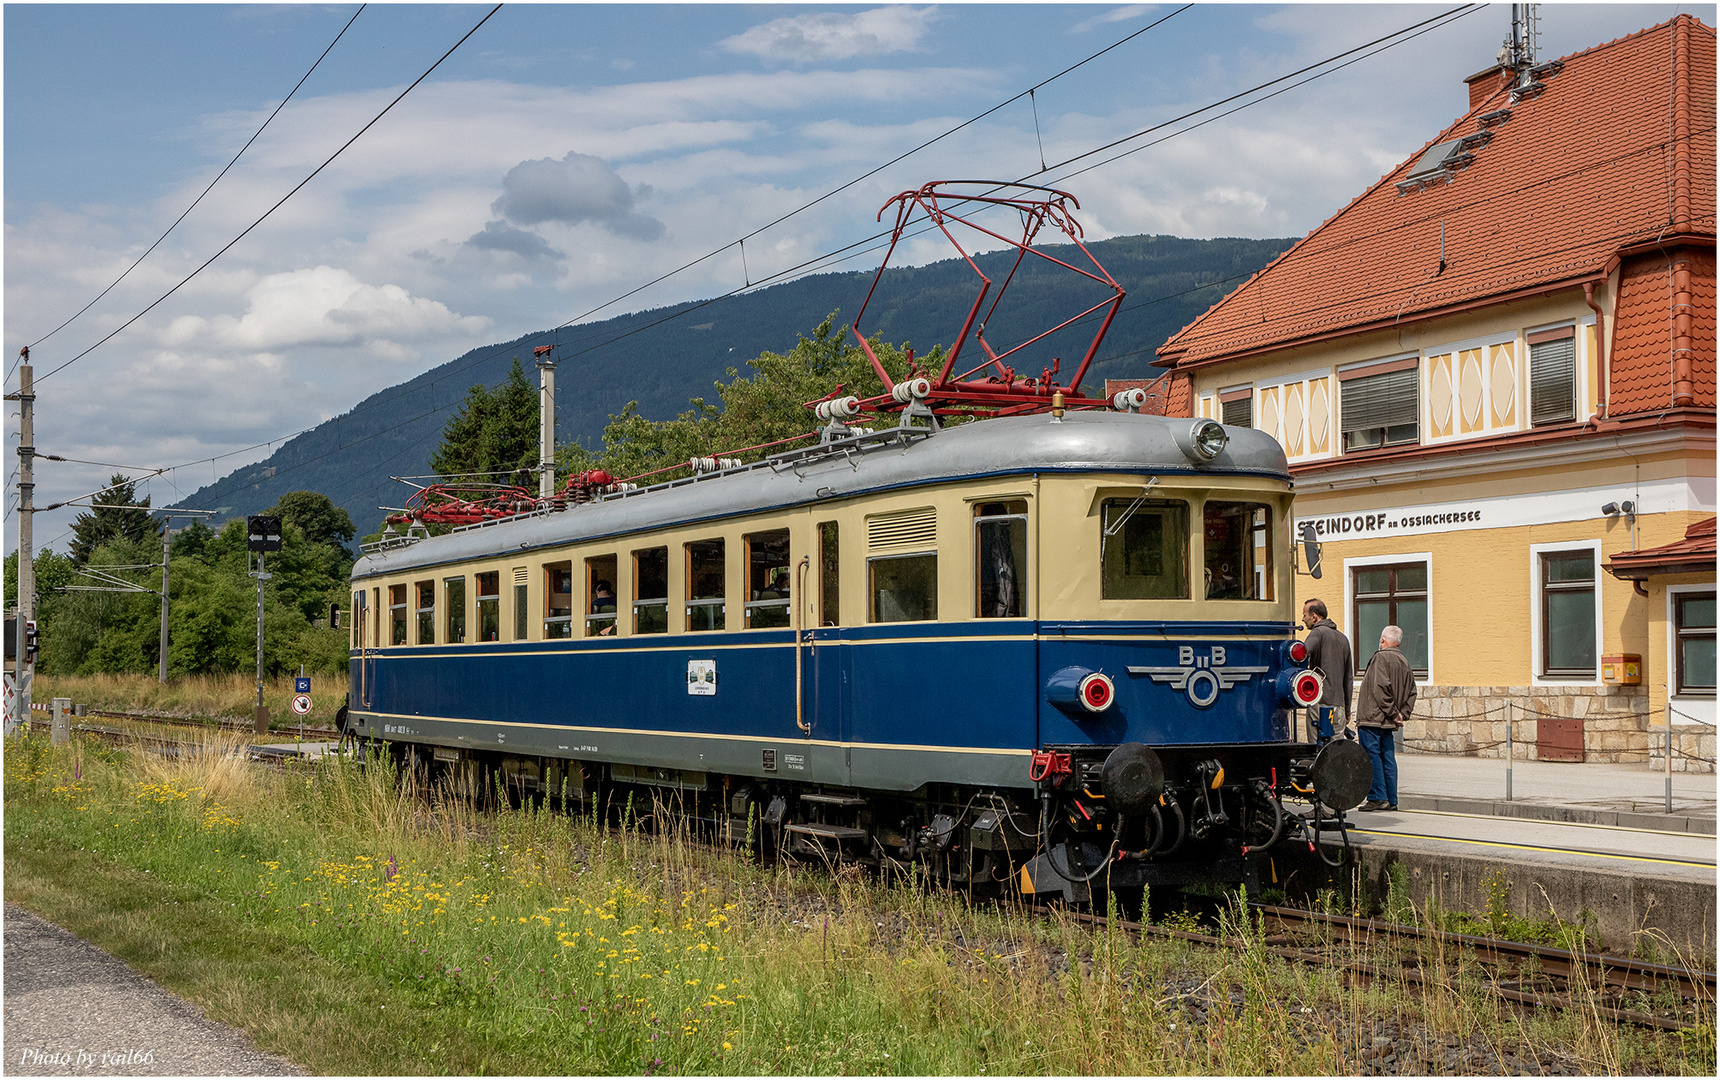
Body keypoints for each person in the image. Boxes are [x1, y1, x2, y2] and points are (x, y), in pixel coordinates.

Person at [1354, 624, 1417, 812]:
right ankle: (1391, 798)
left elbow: (1380, 688)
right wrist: (1402, 714)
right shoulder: (1404, 661)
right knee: (1388, 757)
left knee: (1371, 756)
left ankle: (1377, 797)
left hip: (1373, 717)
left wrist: (1393, 712)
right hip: (1388, 721)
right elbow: (1412, 692)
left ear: (1382, 639)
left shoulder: (1379, 658)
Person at [1301, 598, 1354, 741]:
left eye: (1305, 615)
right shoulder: (1343, 639)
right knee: (1336, 752)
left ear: (1314, 616)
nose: (1303, 619)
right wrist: (1347, 709)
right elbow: (1348, 677)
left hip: (1320, 703)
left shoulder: (1317, 633)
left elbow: (1301, 654)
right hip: (1339, 705)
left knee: (1316, 750)